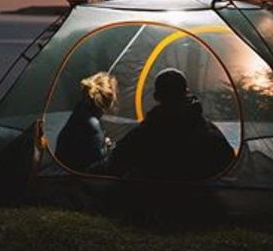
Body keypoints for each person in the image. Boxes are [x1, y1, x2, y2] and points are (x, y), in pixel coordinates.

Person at [106, 68, 234, 181]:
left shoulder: (144, 135)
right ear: (186, 92)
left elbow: (114, 165)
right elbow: (229, 165)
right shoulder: (209, 133)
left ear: (156, 96)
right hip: (199, 205)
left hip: (152, 204)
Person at [55, 71, 118, 172]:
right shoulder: (93, 124)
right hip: (78, 174)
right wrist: (108, 148)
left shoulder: (81, 108)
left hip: (63, 163)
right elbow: (98, 164)